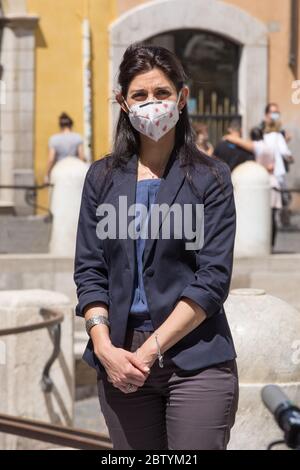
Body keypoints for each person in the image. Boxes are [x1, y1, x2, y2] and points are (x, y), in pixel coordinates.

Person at [73, 44, 238, 450]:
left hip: (196, 357)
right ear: (123, 103)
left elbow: (212, 278)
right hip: (120, 358)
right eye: (140, 95)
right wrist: (103, 345)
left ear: (182, 98)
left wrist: (148, 352)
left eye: (162, 93)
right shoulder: (102, 177)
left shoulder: (211, 177)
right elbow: (90, 270)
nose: (152, 104)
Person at [223, 127, 282, 249]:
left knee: (265, 216)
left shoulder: (258, 146)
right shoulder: (269, 147)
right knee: (272, 215)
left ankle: (267, 243)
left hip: (261, 183)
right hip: (272, 182)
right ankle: (271, 244)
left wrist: (229, 137)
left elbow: (240, 143)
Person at [45, 112, 86, 182]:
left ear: (60, 126)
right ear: (71, 125)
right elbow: (81, 157)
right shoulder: (77, 137)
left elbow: (51, 159)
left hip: (59, 169)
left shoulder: (54, 139)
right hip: (75, 170)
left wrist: (46, 174)